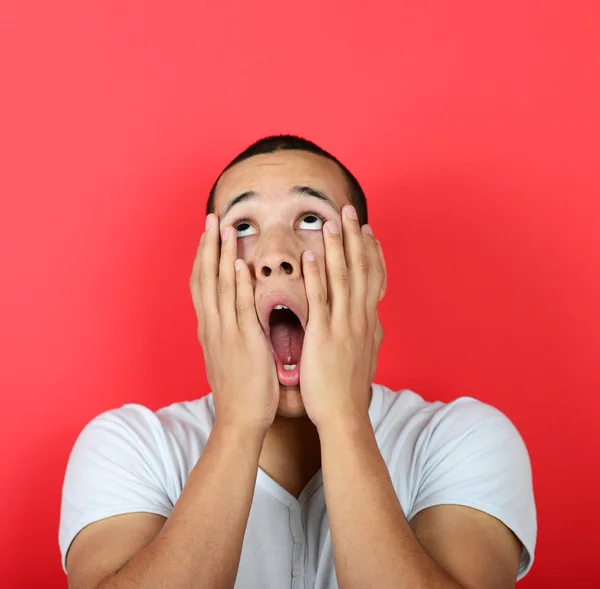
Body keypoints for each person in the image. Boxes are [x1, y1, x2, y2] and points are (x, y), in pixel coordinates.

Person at [59, 135, 537, 589]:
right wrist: (238, 424)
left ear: (370, 267)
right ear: (206, 277)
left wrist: (344, 418)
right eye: (243, 226)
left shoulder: (463, 438)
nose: (275, 257)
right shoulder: (130, 447)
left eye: (310, 219)